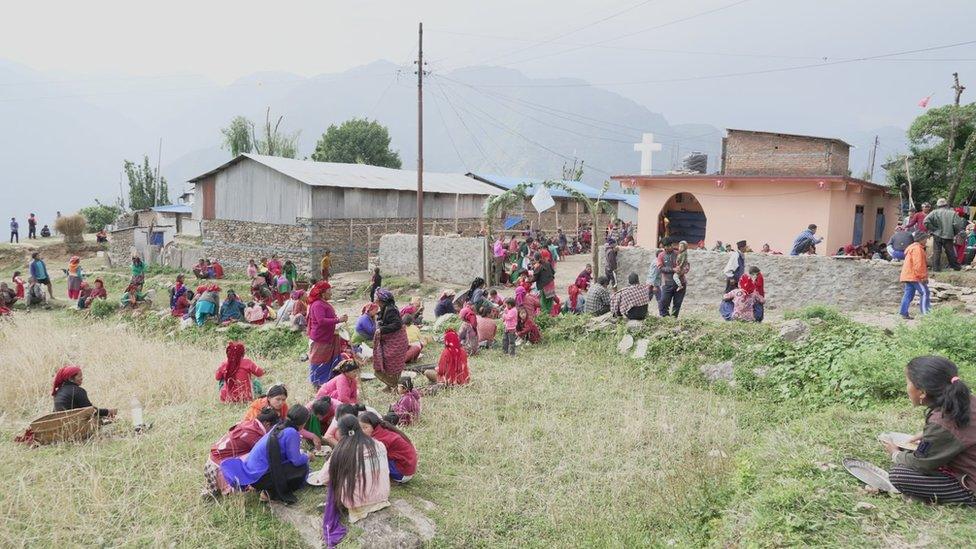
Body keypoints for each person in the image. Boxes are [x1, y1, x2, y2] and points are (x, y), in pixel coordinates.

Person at [884, 356, 976, 505]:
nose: (906, 388)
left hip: (971, 483)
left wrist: (896, 454)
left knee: (898, 475)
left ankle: (966, 498)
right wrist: (930, 436)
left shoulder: (942, 423)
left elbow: (922, 463)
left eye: (908, 382)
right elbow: (959, 432)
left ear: (922, 392)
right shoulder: (966, 399)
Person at [321, 415, 390, 544]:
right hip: (382, 496)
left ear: (340, 432)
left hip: (358, 503)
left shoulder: (342, 451)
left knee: (333, 478)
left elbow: (323, 478)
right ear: (359, 427)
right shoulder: (379, 444)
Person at [221, 405, 311, 504]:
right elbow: (296, 460)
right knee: (302, 468)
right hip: (260, 478)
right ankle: (271, 493)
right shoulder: (292, 433)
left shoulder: (279, 426)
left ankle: (266, 489)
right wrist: (308, 456)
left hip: (251, 474)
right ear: (303, 422)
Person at [205, 407, 280, 498]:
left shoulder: (248, 423)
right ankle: (234, 487)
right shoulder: (256, 434)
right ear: (267, 424)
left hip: (211, 462)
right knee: (260, 457)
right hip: (220, 467)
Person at [307, 281, 347, 388]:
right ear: (322, 292)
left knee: (330, 358)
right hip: (321, 338)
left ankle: (330, 380)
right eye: (329, 291)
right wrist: (338, 320)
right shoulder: (317, 305)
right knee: (320, 359)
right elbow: (321, 321)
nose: (331, 293)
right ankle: (319, 382)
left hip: (328, 336)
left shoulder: (322, 303)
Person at [359, 411, 417, 483]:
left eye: (365, 427)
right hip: (407, 468)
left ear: (373, 425)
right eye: (360, 428)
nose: (361, 431)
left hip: (402, 474)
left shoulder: (380, 439)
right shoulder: (382, 429)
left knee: (368, 460)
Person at [373, 288, 409, 389]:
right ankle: (391, 385)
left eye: (376, 297)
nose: (375, 299)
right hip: (392, 341)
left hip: (397, 341)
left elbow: (397, 324)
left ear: (381, 300)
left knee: (391, 361)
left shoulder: (391, 309)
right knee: (388, 362)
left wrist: (382, 329)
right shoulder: (386, 308)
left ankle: (392, 385)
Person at [51, 365, 117, 418]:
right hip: (72, 422)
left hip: (60, 421)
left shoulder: (59, 391)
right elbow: (91, 410)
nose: (82, 378)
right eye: (79, 376)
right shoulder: (78, 391)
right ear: (70, 379)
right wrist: (108, 411)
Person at [924, 198, 966, 272]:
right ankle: (956, 267)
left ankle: (936, 269)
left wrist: (933, 229)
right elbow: (958, 225)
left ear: (938, 205)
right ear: (946, 205)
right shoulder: (952, 213)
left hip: (937, 235)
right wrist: (954, 232)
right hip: (948, 235)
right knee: (950, 252)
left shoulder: (934, 212)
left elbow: (926, 221)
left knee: (937, 251)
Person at [900, 231, 932, 319]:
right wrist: (923, 277)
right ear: (921, 239)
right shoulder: (918, 249)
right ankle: (926, 314)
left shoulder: (912, 248)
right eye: (925, 239)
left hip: (908, 275)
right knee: (925, 292)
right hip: (915, 276)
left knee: (908, 294)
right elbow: (918, 265)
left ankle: (903, 313)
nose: (926, 241)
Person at [658, 239, 686, 318]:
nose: (670, 247)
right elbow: (660, 268)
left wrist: (683, 270)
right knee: (663, 302)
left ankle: (673, 320)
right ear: (664, 247)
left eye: (671, 245)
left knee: (677, 304)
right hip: (667, 284)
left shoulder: (679, 254)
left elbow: (687, 265)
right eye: (668, 246)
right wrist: (673, 269)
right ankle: (666, 319)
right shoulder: (661, 255)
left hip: (681, 283)